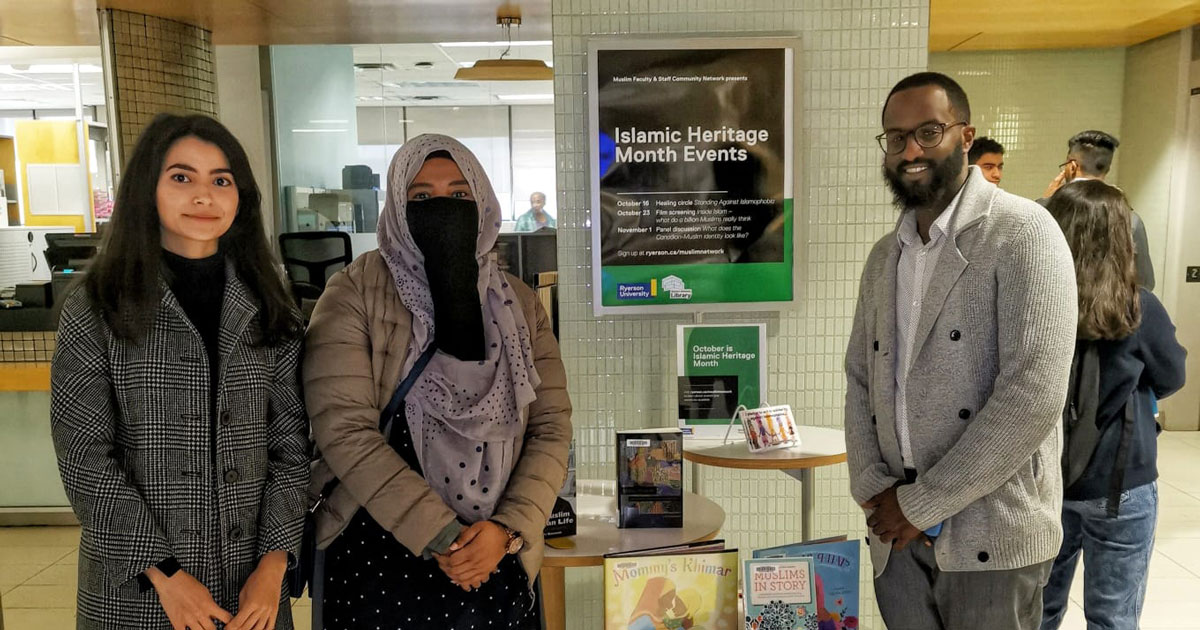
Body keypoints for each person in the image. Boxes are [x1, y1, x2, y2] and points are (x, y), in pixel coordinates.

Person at [50, 113, 310, 630]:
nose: (203, 196)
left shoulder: (268, 304)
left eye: (221, 180)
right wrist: (165, 573)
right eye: (181, 177)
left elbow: (292, 446)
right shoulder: (98, 305)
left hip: (251, 590)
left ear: (241, 196)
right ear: (148, 188)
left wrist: (275, 562)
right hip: (137, 591)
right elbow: (84, 457)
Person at [303, 134, 572, 630]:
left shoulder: (517, 302)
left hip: (496, 556)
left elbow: (552, 424)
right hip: (380, 553)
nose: (443, 208)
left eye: (460, 194)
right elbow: (342, 430)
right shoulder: (354, 294)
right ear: (398, 209)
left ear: (483, 202)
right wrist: (446, 535)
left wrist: (508, 531)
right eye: (421, 198)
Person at [845, 72, 1078, 629]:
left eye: (929, 131)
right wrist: (873, 487)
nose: (911, 151)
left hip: (992, 536)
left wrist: (922, 504)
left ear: (966, 135)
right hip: (896, 537)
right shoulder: (886, 255)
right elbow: (860, 377)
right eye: (895, 138)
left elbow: (1033, 394)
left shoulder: (1023, 232)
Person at [1040, 180, 1187, 629]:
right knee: (1113, 616)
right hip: (1122, 484)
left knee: (1036, 611)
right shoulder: (1140, 308)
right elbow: (1171, 378)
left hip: (1045, 482)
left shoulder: (1035, 302)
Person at [1039, 130, 1154, 289]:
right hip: (1108, 310)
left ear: (1072, 166)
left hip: (1054, 306)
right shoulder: (1130, 219)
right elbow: (1145, 282)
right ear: (1106, 169)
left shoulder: (1045, 211)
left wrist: (1043, 201)